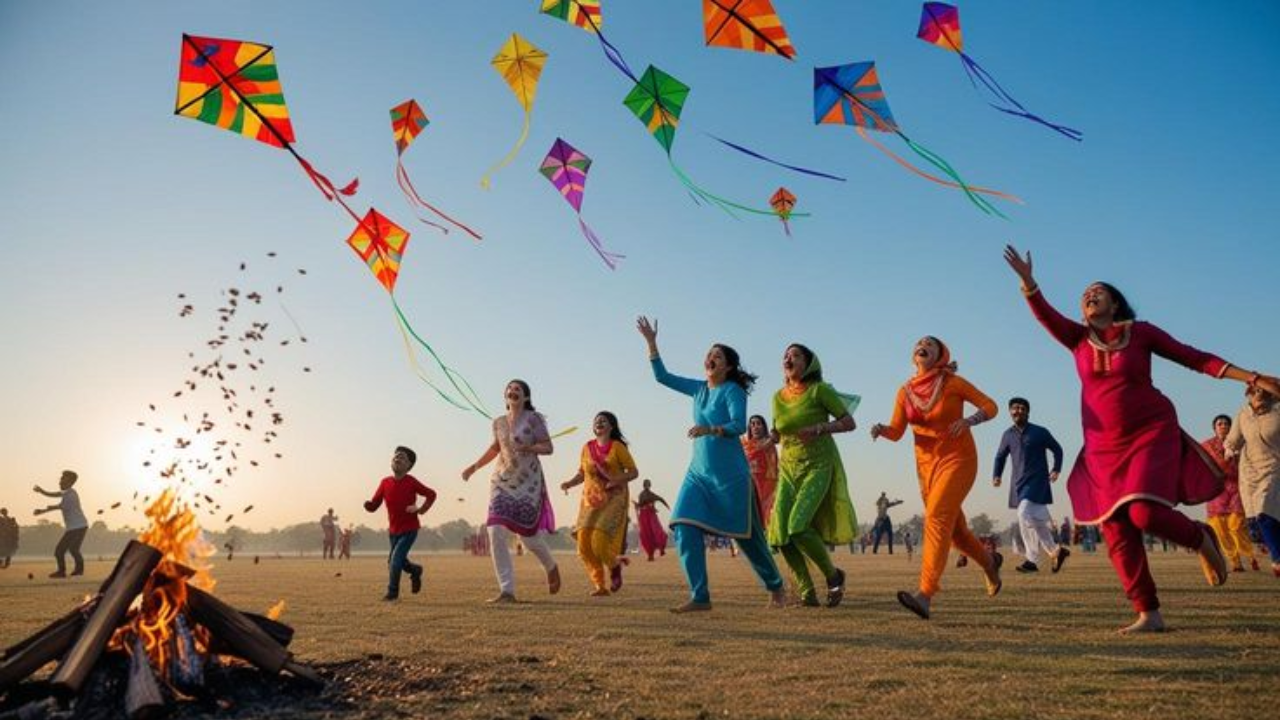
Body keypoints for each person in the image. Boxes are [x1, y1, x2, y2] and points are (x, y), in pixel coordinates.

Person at [1004, 244, 1280, 632]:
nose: (1088, 294)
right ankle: (1148, 612)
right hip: (1102, 447)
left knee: (1144, 512)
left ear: (1115, 304)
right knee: (1115, 527)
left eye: (1097, 290)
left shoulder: (1141, 333)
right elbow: (1046, 317)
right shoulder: (1078, 339)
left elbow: (1194, 357)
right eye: (1084, 293)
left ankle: (1200, 536)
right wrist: (1030, 283)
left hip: (1150, 431)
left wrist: (1250, 377)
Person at [637, 316, 786, 613]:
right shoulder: (698, 389)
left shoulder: (733, 391)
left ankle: (776, 586)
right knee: (682, 526)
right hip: (699, 475)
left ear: (728, 366)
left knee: (748, 539)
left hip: (731, 478)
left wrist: (710, 429)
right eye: (709, 354)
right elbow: (662, 377)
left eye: (717, 356)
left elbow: (738, 424)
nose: (710, 359)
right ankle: (700, 596)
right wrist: (652, 343)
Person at [871, 336, 1002, 620]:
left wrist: (970, 421)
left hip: (959, 459)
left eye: (931, 343)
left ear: (941, 355)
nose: (923, 345)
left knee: (935, 517)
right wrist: (882, 429)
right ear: (913, 356)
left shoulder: (953, 382)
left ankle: (925, 594)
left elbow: (991, 406)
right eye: (919, 343)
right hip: (927, 469)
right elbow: (897, 431)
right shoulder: (904, 391)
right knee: (956, 533)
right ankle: (990, 563)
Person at [768, 343, 857, 607]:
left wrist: (819, 427)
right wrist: (768, 438)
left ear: (808, 364)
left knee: (797, 526)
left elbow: (849, 422)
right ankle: (807, 593)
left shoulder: (821, 390)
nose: (788, 358)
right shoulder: (777, 397)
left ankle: (833, 576)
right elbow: (779, 431)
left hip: (818, 464)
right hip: (788, 469)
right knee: (780, 535)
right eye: (786, 355)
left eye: (795, 355)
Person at [462, 380, 561, 603]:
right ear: (505, 395)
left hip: (528, 483)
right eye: (510, 388)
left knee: (528, 539)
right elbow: (495, 448)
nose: (513, 391)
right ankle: (507, 591)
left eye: (518, 389)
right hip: (502, 480)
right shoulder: (498, 422)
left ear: (525, 397)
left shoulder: (534, 419)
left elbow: (548, 447)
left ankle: (551, 566)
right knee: (495, 529)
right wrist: (474, 467)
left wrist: (529, 447)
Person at [561, 411, 640, 596]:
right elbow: (582, 473)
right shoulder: (586, 447)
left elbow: (634, 472)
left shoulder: (618, 447)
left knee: (599, 540)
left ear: (611, 426)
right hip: (590, 502)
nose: (599, 423)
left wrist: (617, 479)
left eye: (603, 421)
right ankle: (599, 585)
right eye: (596, 421)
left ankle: (614, 567)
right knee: (583, 545)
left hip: (614, 499)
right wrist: (569, 483)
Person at [992, 397, 1070, 574]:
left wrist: (1056, 469)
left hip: (1038, 482)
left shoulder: (1040, 432)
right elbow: (1000, 457)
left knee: (1023, 514)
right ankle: (1056, 551)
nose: (1017, 411)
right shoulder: (1007, 435)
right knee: (1038, 522)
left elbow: (1057, 449)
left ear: (1028, 412)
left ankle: (1032, 559)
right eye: (1014, 408)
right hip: (1018, 485)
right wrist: (997, 475)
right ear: (1010, 412)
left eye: (1021, 408)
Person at [363, 446, 436, 601]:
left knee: (395, 561)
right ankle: (415, 570)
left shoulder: (411, 481)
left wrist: (420, 509)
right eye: (395, 457)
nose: (397, 459)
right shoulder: (385, 483)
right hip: (393, 531)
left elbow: (431, 494)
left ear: (409, 466)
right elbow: (375, 503)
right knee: (397, 561)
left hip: (410, 529)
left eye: (402, 458)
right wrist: (369, 506)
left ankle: (392, 593)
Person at [1225, 385, 1280, 577]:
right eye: (1254, 391)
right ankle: (1274, 548)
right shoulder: (1243, 413)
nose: (1258, 395)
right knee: (1255, 524)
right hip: (1249, 470)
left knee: (1265, 511)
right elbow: (1234, 439)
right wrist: (1229, 450)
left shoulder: (1278, 410)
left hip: (1274, 467)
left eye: (1263, 391)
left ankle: (1277, 559)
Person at [1202, 414, 1257, 572]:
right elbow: (1197, 461)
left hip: (1236, 489)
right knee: (1220, 529)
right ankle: (1235, 563)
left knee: (1236, 525)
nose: (1223, 426)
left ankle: (1250, 556)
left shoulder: (1241, 443)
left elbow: (1252, 460)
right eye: (1220, 423)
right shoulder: (1206, 445)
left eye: (1226, 423)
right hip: (1216, 490)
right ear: (1215, 427)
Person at [33, 471, 89, 578]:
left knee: (62, 550)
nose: (60, 481)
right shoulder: (67, 493)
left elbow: (60, 506)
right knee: (69, 550)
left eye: (63, 479)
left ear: (70, 482)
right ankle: (72, 571)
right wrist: (42, 491)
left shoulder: (71, 494)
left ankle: (67, 571)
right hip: (76, 527)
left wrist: (43, 510)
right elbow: (54, 494)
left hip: (78, 527)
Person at [742, 415, 780, 533]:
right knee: (752, 515)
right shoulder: (745, 444)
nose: (755, 427)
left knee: (769, 513)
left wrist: (774, 436)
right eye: (752, 424)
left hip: (768, 484)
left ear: (764, 427)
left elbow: (778, 439)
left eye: (759, 423)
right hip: (750, 483)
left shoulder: (770, 441)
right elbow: (749, 455)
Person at [635, 479, 671, 561]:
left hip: (651, 515)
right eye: (646, 484)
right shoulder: (642, 494)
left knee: (657, 531)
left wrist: (666, 506)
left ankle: (661, 549)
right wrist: (638, 505)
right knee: (646, 534)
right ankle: (650, 555)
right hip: (644, 516)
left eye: (648, 484)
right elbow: (641, 505)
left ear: (649, 485)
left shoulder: (651, 494)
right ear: (644, 485)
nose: (647, 486)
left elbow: (660, 499)